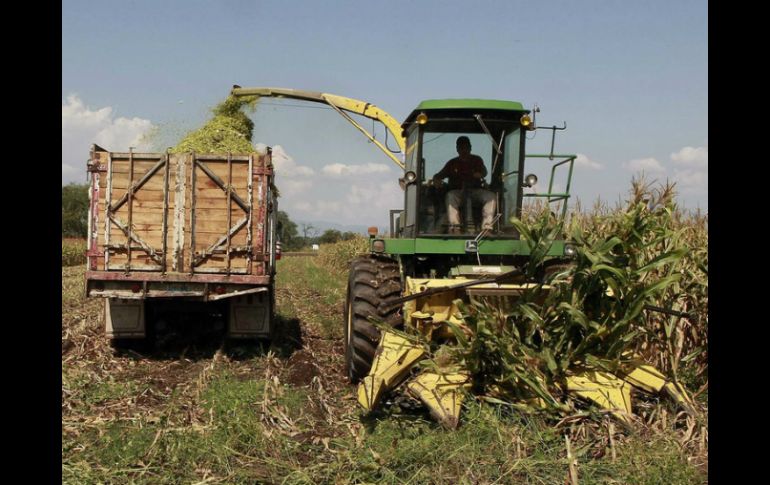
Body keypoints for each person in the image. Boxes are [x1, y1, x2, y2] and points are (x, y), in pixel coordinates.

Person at [432, 136, 496, 233]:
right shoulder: (452, 163)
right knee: (450, 196)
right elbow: (438, 176)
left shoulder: (477, 160)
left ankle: (487, 228)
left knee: (490, 196)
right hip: (459, 193)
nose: (464, 150)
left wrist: (480, 174)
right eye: (461, 148)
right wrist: (436, 180)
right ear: (457, 149)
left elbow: (484, 172)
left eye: (466, 148)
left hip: (475, 192)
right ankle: (455, 227)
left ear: (470, 148)